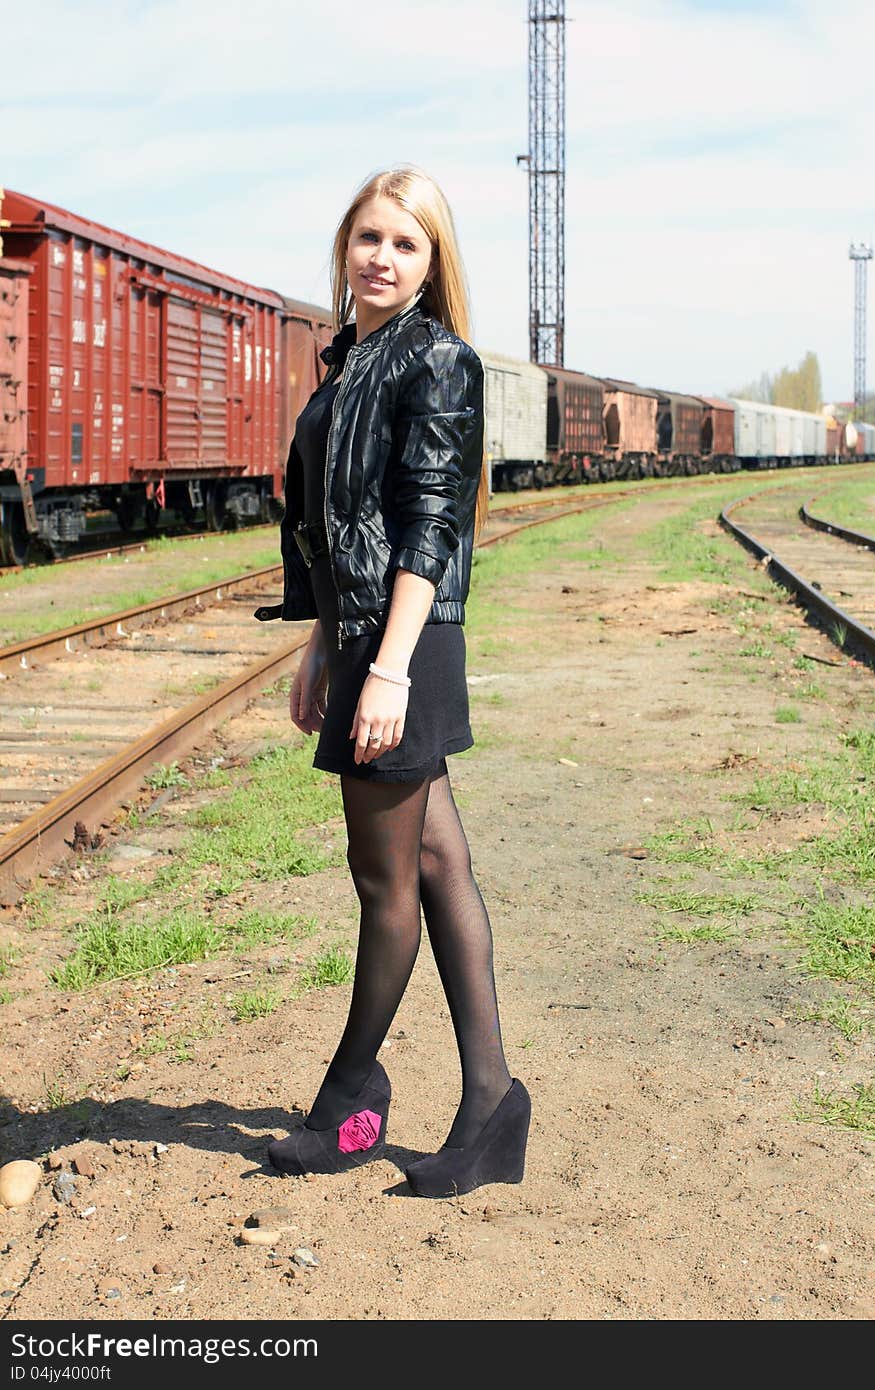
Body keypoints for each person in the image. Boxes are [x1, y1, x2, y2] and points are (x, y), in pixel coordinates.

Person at [257, 166, 530, 1198]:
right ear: (345, 245)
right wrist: (319, 643)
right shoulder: (350, 362)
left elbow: (428, 527)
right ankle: (492, 1103)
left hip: (404, 644)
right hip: (372, 639)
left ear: (432, 262)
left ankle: (348, 1099)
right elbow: (334, 526)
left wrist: (386, 669)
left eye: (406, 243)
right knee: (437, 865)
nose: (382, 256)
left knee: (385, 883)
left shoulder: (437, 360)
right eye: (369, 236)